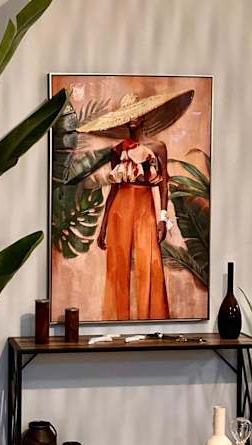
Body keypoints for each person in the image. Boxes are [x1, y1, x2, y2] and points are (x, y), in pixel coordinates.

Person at [76, 90, 194, 320]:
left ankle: (152, 319)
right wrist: (103, 226)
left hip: (145, 205)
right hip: (120, 207)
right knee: (117, 264)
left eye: (136, 113)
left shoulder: (158, 147)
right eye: (127, 114)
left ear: (144, 116)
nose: (132, 118)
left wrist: (162, 217)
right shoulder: (117, 151)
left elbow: (163, 184)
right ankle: (116, 320)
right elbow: (113, 188)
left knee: (149, 260)